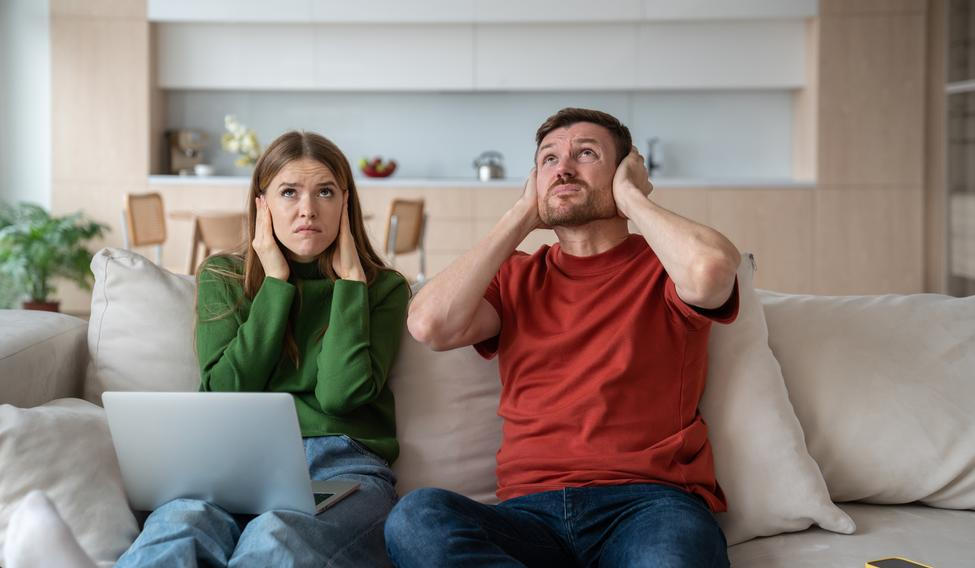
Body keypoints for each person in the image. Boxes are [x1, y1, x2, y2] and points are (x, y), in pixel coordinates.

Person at [4, 131, 409, 568]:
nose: (307, 209)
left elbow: (340, 395)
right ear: (263, 203)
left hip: (343, 465)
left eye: (324, 192)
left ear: (345, 203)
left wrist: (350, 284)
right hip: (232, 458)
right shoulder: (225, 275)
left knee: (279, 535)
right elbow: (225, 391)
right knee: (182, 523)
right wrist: (275, 285)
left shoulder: (382, 288)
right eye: (288, 192)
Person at [384, 108, 741, 568]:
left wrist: (632, 198)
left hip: (649, 506)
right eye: (548, 160)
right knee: (416, 518)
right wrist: (519, 215)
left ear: (623, 169)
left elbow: (712, 273)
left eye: (586, 154)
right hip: (530, 513)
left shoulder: (665, 267)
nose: (563, 168)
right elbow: (429, 325)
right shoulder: (515, 275)